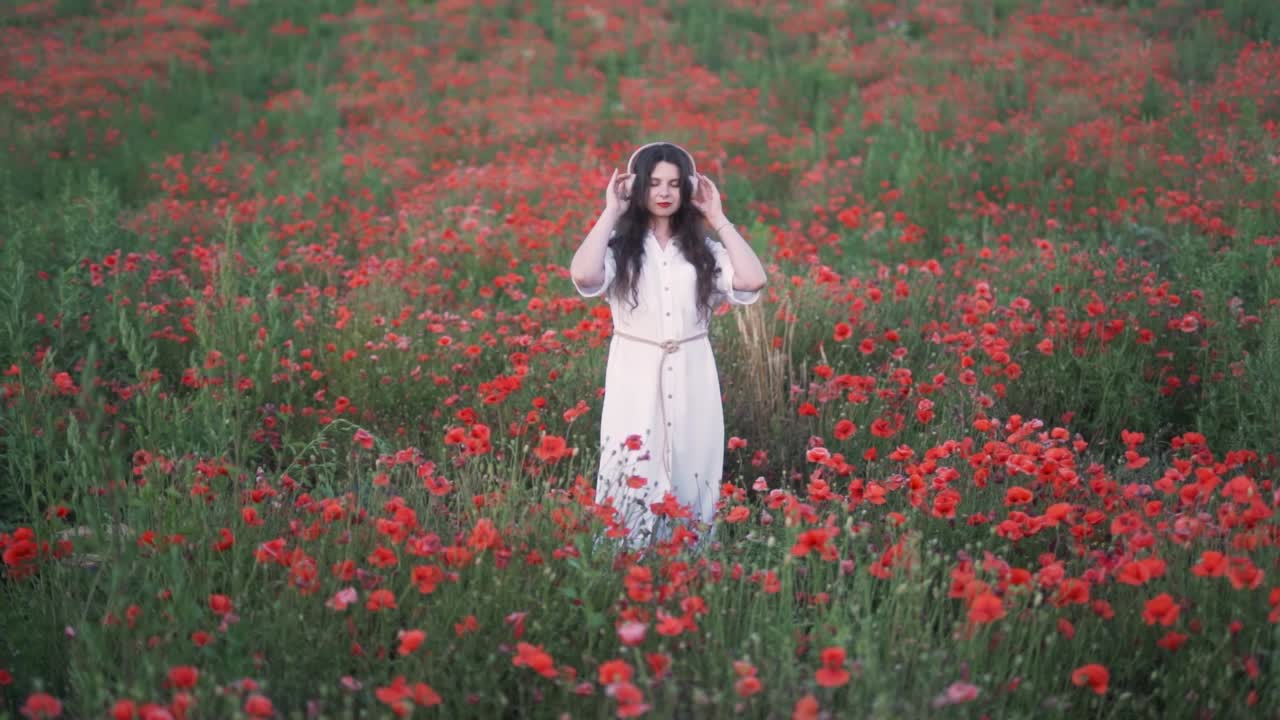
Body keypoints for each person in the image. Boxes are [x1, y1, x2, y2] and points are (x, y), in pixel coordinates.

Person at [569, 142, 767, 553]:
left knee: (693, 463)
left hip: (694, 372)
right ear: (637, 188)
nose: (664, 192)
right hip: (634, 374)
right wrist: (611, 212)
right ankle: (626, 565)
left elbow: (752, 280)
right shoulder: (620, 251)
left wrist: (718, 217)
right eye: (654, 182)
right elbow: (584, 275)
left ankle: (688, 565)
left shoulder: (703, 253)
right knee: (631, 467)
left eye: (675, 184)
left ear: (688, 189)